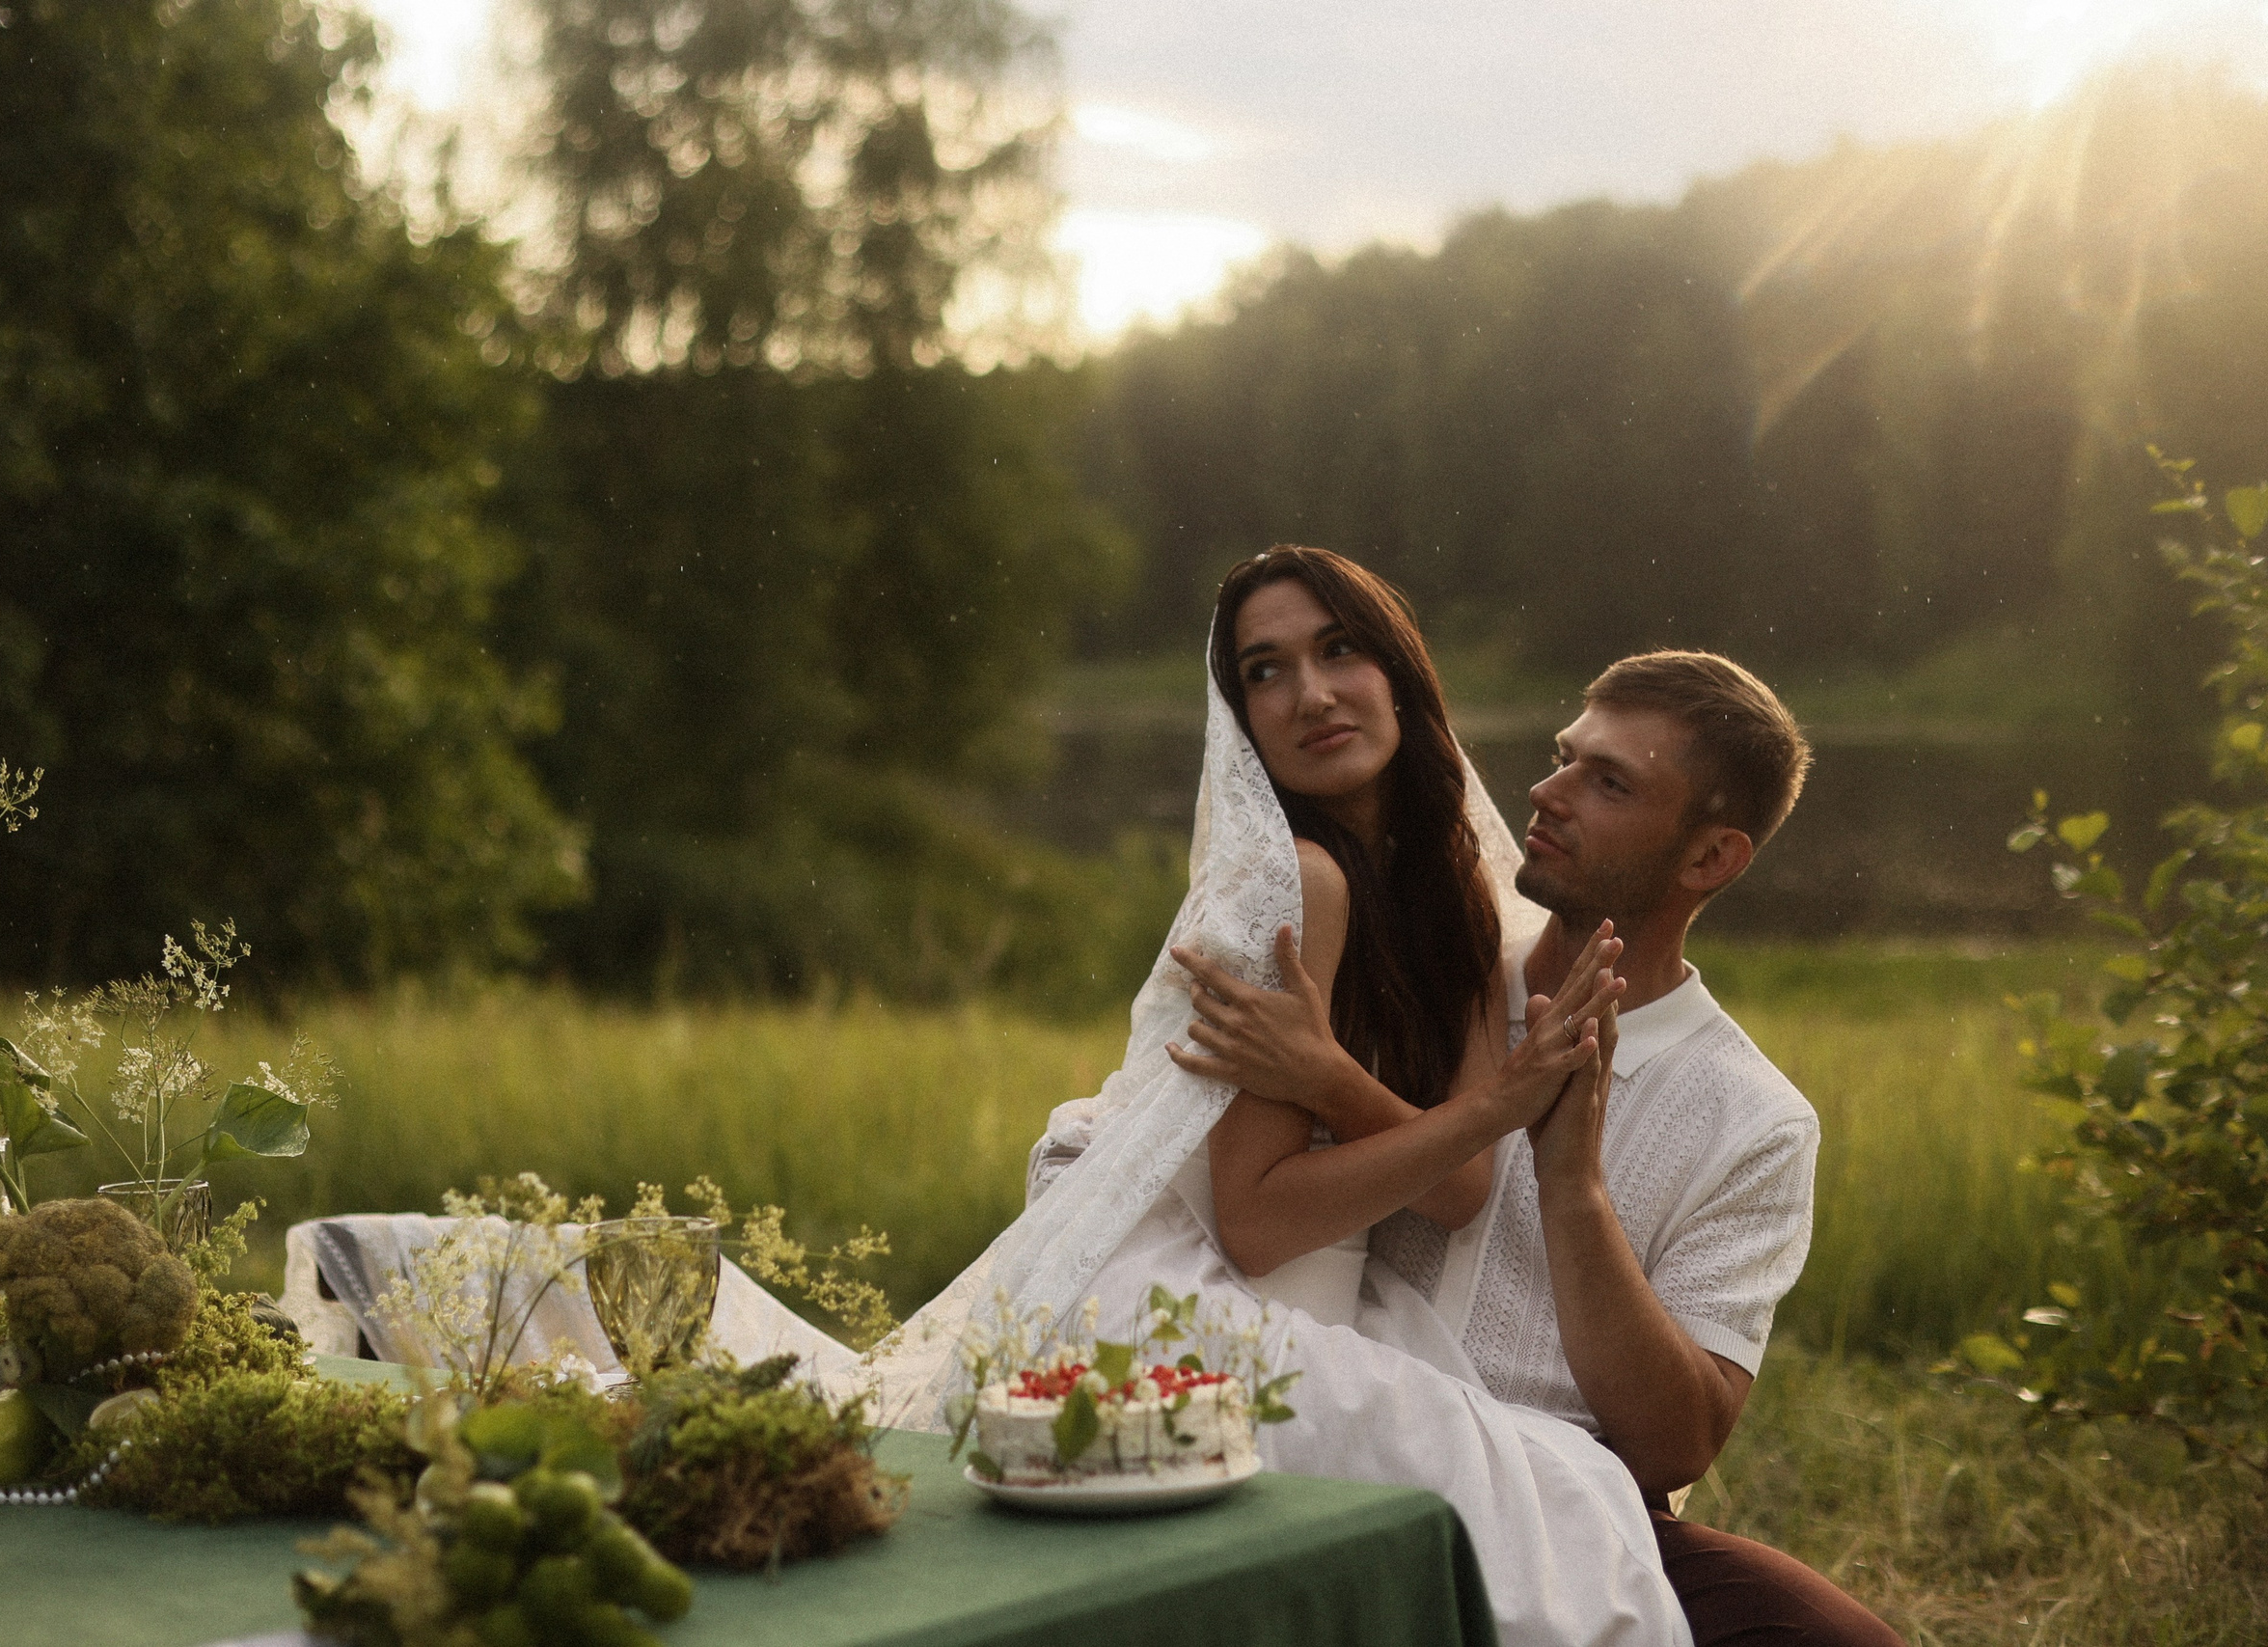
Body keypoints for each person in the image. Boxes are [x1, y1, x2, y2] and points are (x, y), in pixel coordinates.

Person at [741, 546, 1696, 1647]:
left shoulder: (1467, 897)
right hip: (1188, 1297)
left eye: (1339, 650)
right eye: (1265, 671)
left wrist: (1338, 1080)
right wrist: (1494, 1103)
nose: (1312, 694)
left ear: (1397, 669)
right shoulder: (1295, 882)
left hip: (1323, 1293)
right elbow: (1253, 1221)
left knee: (1553, 1499)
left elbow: (1461, 1191)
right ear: (1239, 713)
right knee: (1542, 1516)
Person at [1168, 649, 1904, 1647]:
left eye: (1608, 783)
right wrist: (1335, 1075)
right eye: (1566, 758)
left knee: (1830, 1640)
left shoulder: (1752, 1119)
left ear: (1709, 859)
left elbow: (1672, 1443)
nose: (1546, 794)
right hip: (1333, 1453)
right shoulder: (1413, 986)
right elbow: (1253, 1207)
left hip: (1568, 1501)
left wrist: (1575, 1190)